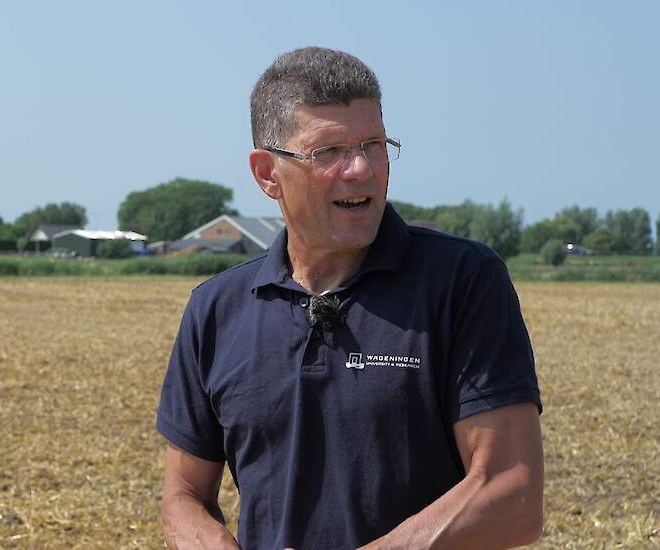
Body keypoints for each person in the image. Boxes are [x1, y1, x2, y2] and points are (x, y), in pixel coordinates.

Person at [156, 47, 543, 549]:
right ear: (267, 173)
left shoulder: (463, 281)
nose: (360, 169)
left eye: (374, 144)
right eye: (330, 151)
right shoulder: (216, 309)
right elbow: (182, 498)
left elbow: (511, 493)